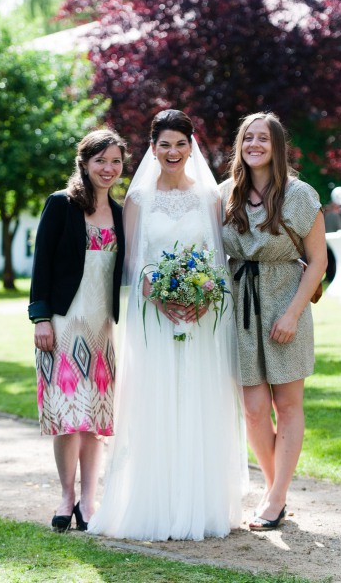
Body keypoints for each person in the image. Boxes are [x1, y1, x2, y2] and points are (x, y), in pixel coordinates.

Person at [88, 109, 248, 541]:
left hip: (201, 319)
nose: (173, 152)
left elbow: (218, 261)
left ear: (190, 145)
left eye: (180, 143)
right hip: (153, 318)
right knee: (156, 401)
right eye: (165, 144)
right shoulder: (138, 200)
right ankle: (155, 503)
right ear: (153, 148)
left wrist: (202, 298)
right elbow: (134, 262)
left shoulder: (210, 198)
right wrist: (158, 294)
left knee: (197, 399)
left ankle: (201, 503)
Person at [219, 112, 327, 531]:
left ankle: (276, 497)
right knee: (253, 409)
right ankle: (274, 490)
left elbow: (318, 260)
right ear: (239, 147)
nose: (254, 145)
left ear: (277, 146)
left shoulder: (300, 195)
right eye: (248, 138)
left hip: (286, 301)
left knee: (287, 404)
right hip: (241, 306)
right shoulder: (225, 193)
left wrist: (293, 313)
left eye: (263, 138)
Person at [28, 129, 126, 531]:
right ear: (84, 163)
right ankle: (66, 495)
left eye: (116, 161)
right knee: (68, 417)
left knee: (95, 418)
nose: (109, 168)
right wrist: (41, 317)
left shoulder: (122, 213)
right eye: (101, 160)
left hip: (103, 328)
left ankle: (89, 501)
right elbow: (42, 264)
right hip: (64, 323)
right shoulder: (61, 205)